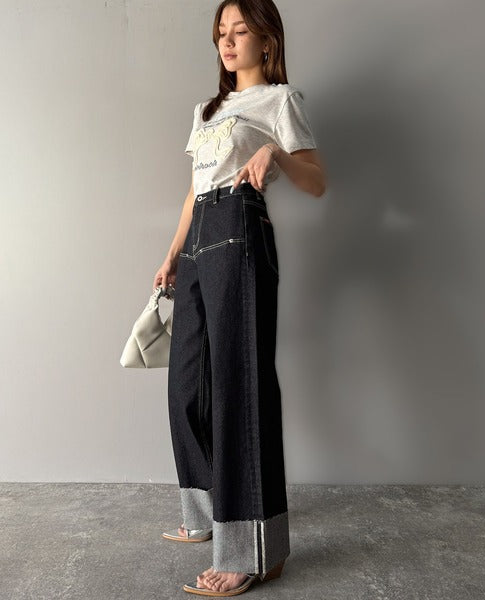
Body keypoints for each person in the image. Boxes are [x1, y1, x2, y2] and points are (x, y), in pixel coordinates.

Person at [153, 0, 326, 595]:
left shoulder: (280, 101)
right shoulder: (206, 111)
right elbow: (193, 189)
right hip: (200, 236)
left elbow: (317, 180)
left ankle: (251, 548)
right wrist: (172, 253)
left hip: (241, 230)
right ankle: (205, 514)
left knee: (239, 387)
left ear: (266, 39)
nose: (227, 43)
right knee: (187, 386)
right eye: (221, 33)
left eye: (240, 31)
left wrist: (274, 153)